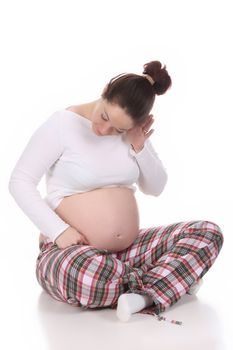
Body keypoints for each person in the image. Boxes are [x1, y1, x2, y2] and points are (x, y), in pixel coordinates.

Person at [8, 60, 223, 323]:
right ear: (105, 89)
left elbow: (156, 187)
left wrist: (139, 147)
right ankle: (169, 281)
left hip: (128, 251)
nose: (103, 130)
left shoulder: (133, 134)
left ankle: (143, 294)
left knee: (206, 233)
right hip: (71, 252)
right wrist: (58, 230)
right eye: (105, 117)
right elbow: (20, 181)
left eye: (117, 129)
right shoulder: (62, 124)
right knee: (85, 273)